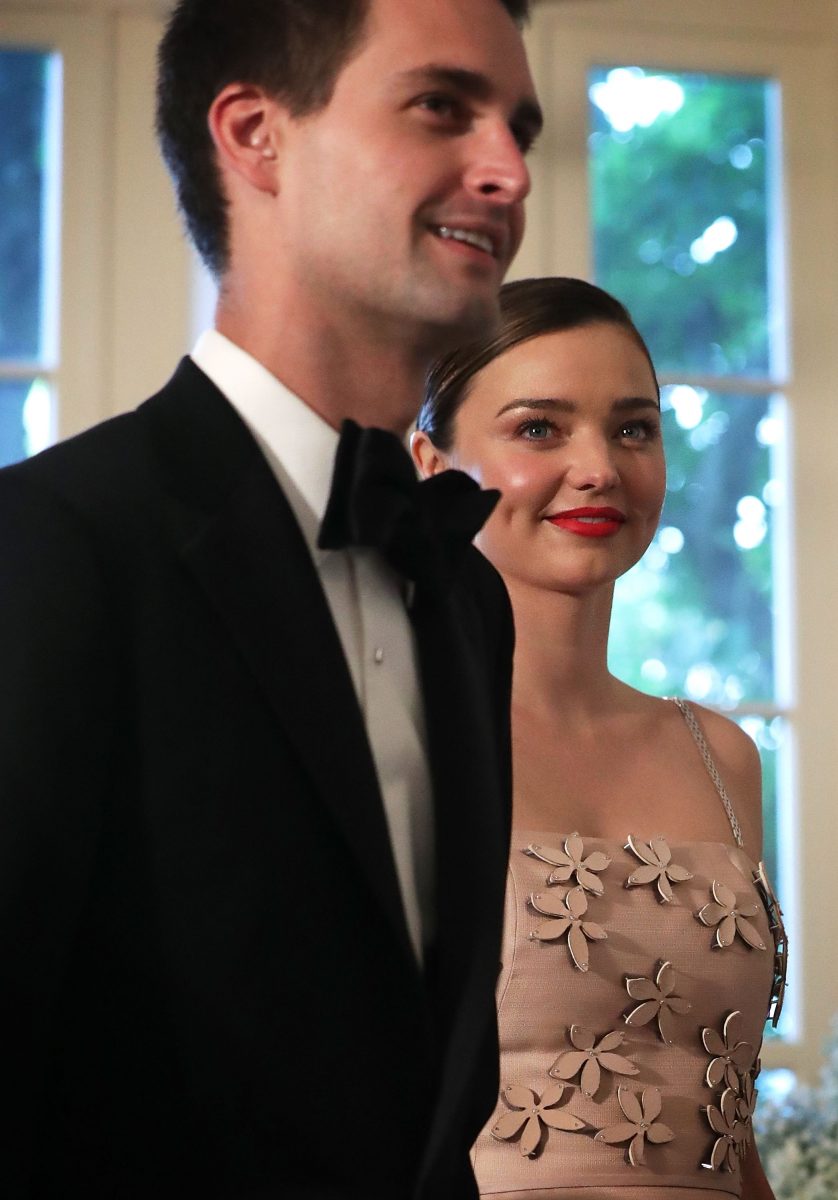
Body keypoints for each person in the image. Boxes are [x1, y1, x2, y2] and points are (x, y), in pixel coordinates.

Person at [0, 2, 544, 1196]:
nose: (506, 171)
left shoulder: (467, 595)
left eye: (520, 128)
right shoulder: (48, 546)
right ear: (256, 135)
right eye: (441, 107)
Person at [413, 277, 786, 1200]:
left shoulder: (720, 754)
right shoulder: (390, 737)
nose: (600, 468)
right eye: (540, 428)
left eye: (633, 428)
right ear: (429, 465)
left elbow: (731, 1134)